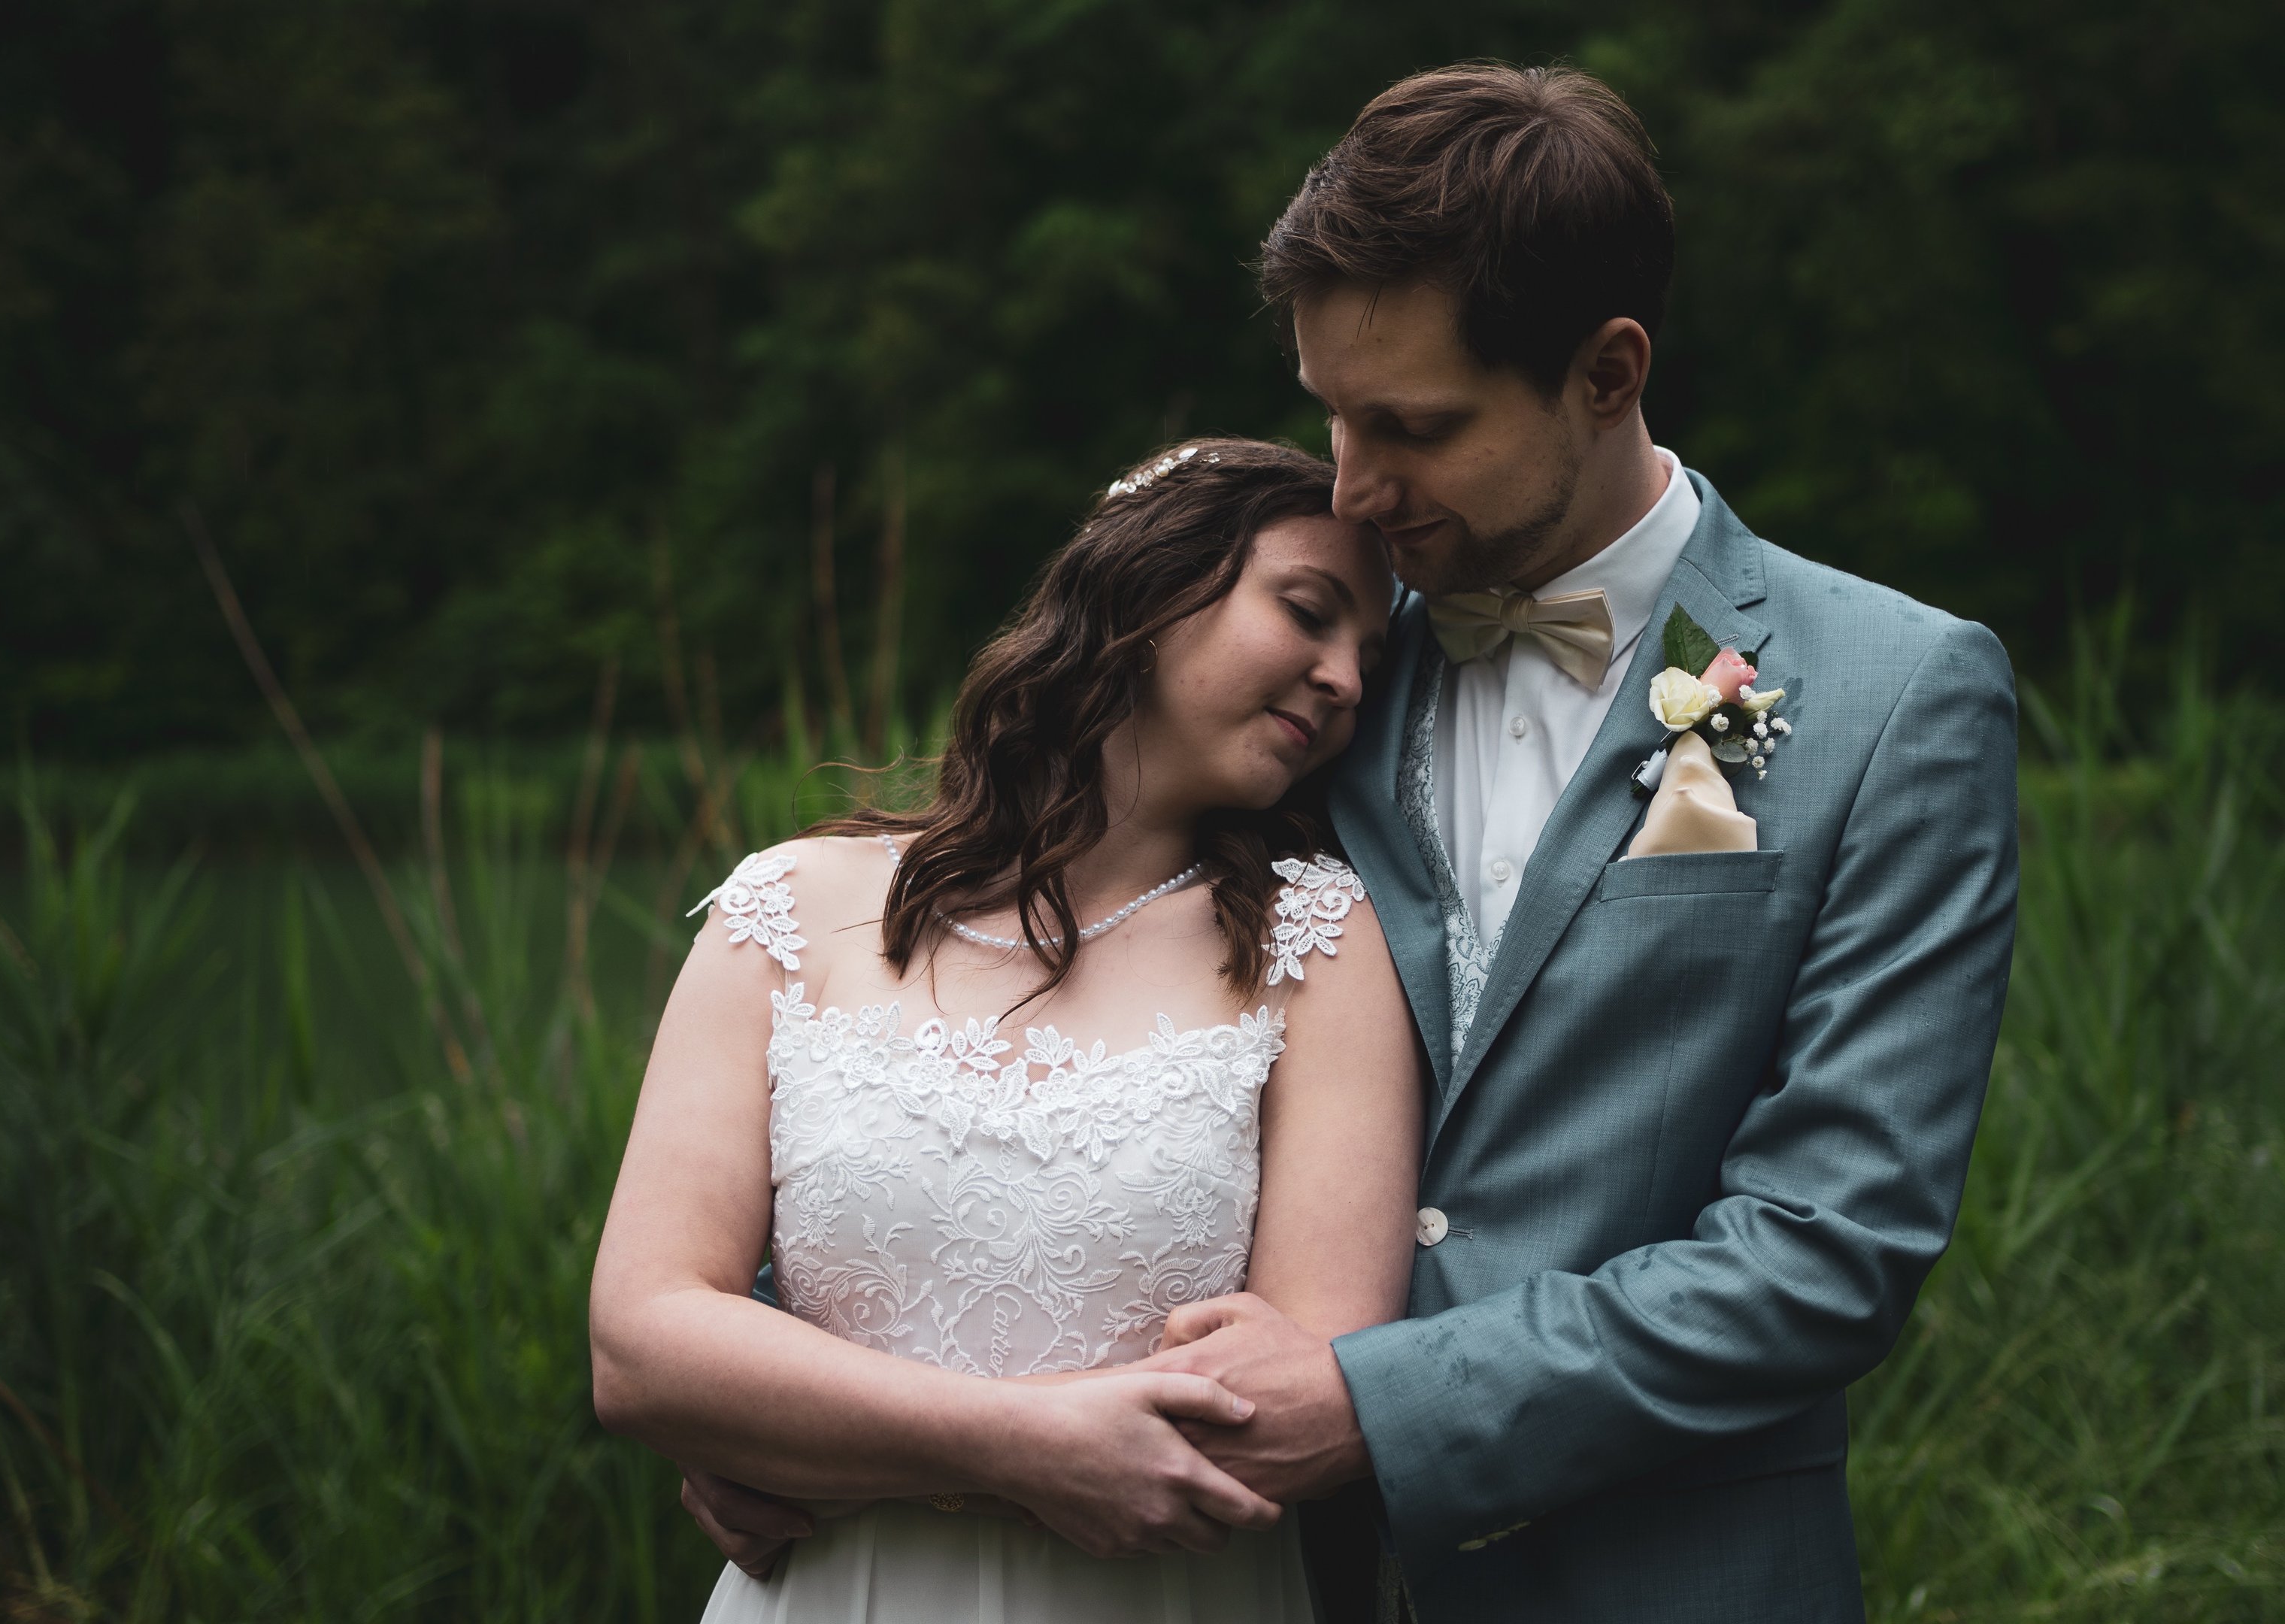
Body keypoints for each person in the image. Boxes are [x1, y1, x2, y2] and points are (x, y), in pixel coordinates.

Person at [684, 62, 2021, 1622]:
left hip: (1665, 1576)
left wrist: (1380, 1405)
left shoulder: (1893, 696)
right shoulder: (1310, 676)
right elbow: (1050, 995)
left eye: (1413, 426)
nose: (1354, 484)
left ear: (1607, 372)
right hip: (1253, 1577)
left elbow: (1826, 1248)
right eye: (1333, 412)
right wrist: (810, 1377)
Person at [589, 438, 1424, 1619]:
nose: (1343, 679)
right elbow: (640, 1345)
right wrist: (1022, 1443)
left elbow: (1298, 1406)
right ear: (1150, 587)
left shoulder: (1321, 945)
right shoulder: (790, 907)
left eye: (1370, 661)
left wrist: (804, 1432)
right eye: (1307, 612)